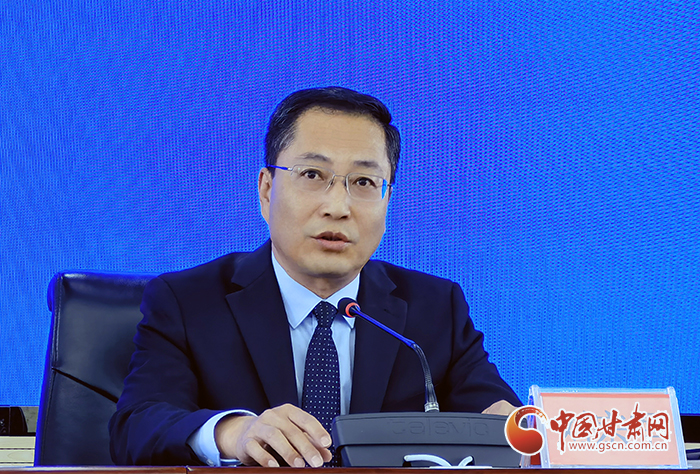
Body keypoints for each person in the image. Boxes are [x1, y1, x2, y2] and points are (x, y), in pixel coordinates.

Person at [109, 86, 521, 467]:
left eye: (364, 181)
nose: (337, 207)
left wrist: (515, 430)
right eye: (312, 175)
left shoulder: (436, 307)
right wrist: (233, 432)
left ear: (387, 200)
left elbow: (502, 418)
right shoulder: (187, 301)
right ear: (266, 190)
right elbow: (136, 426)